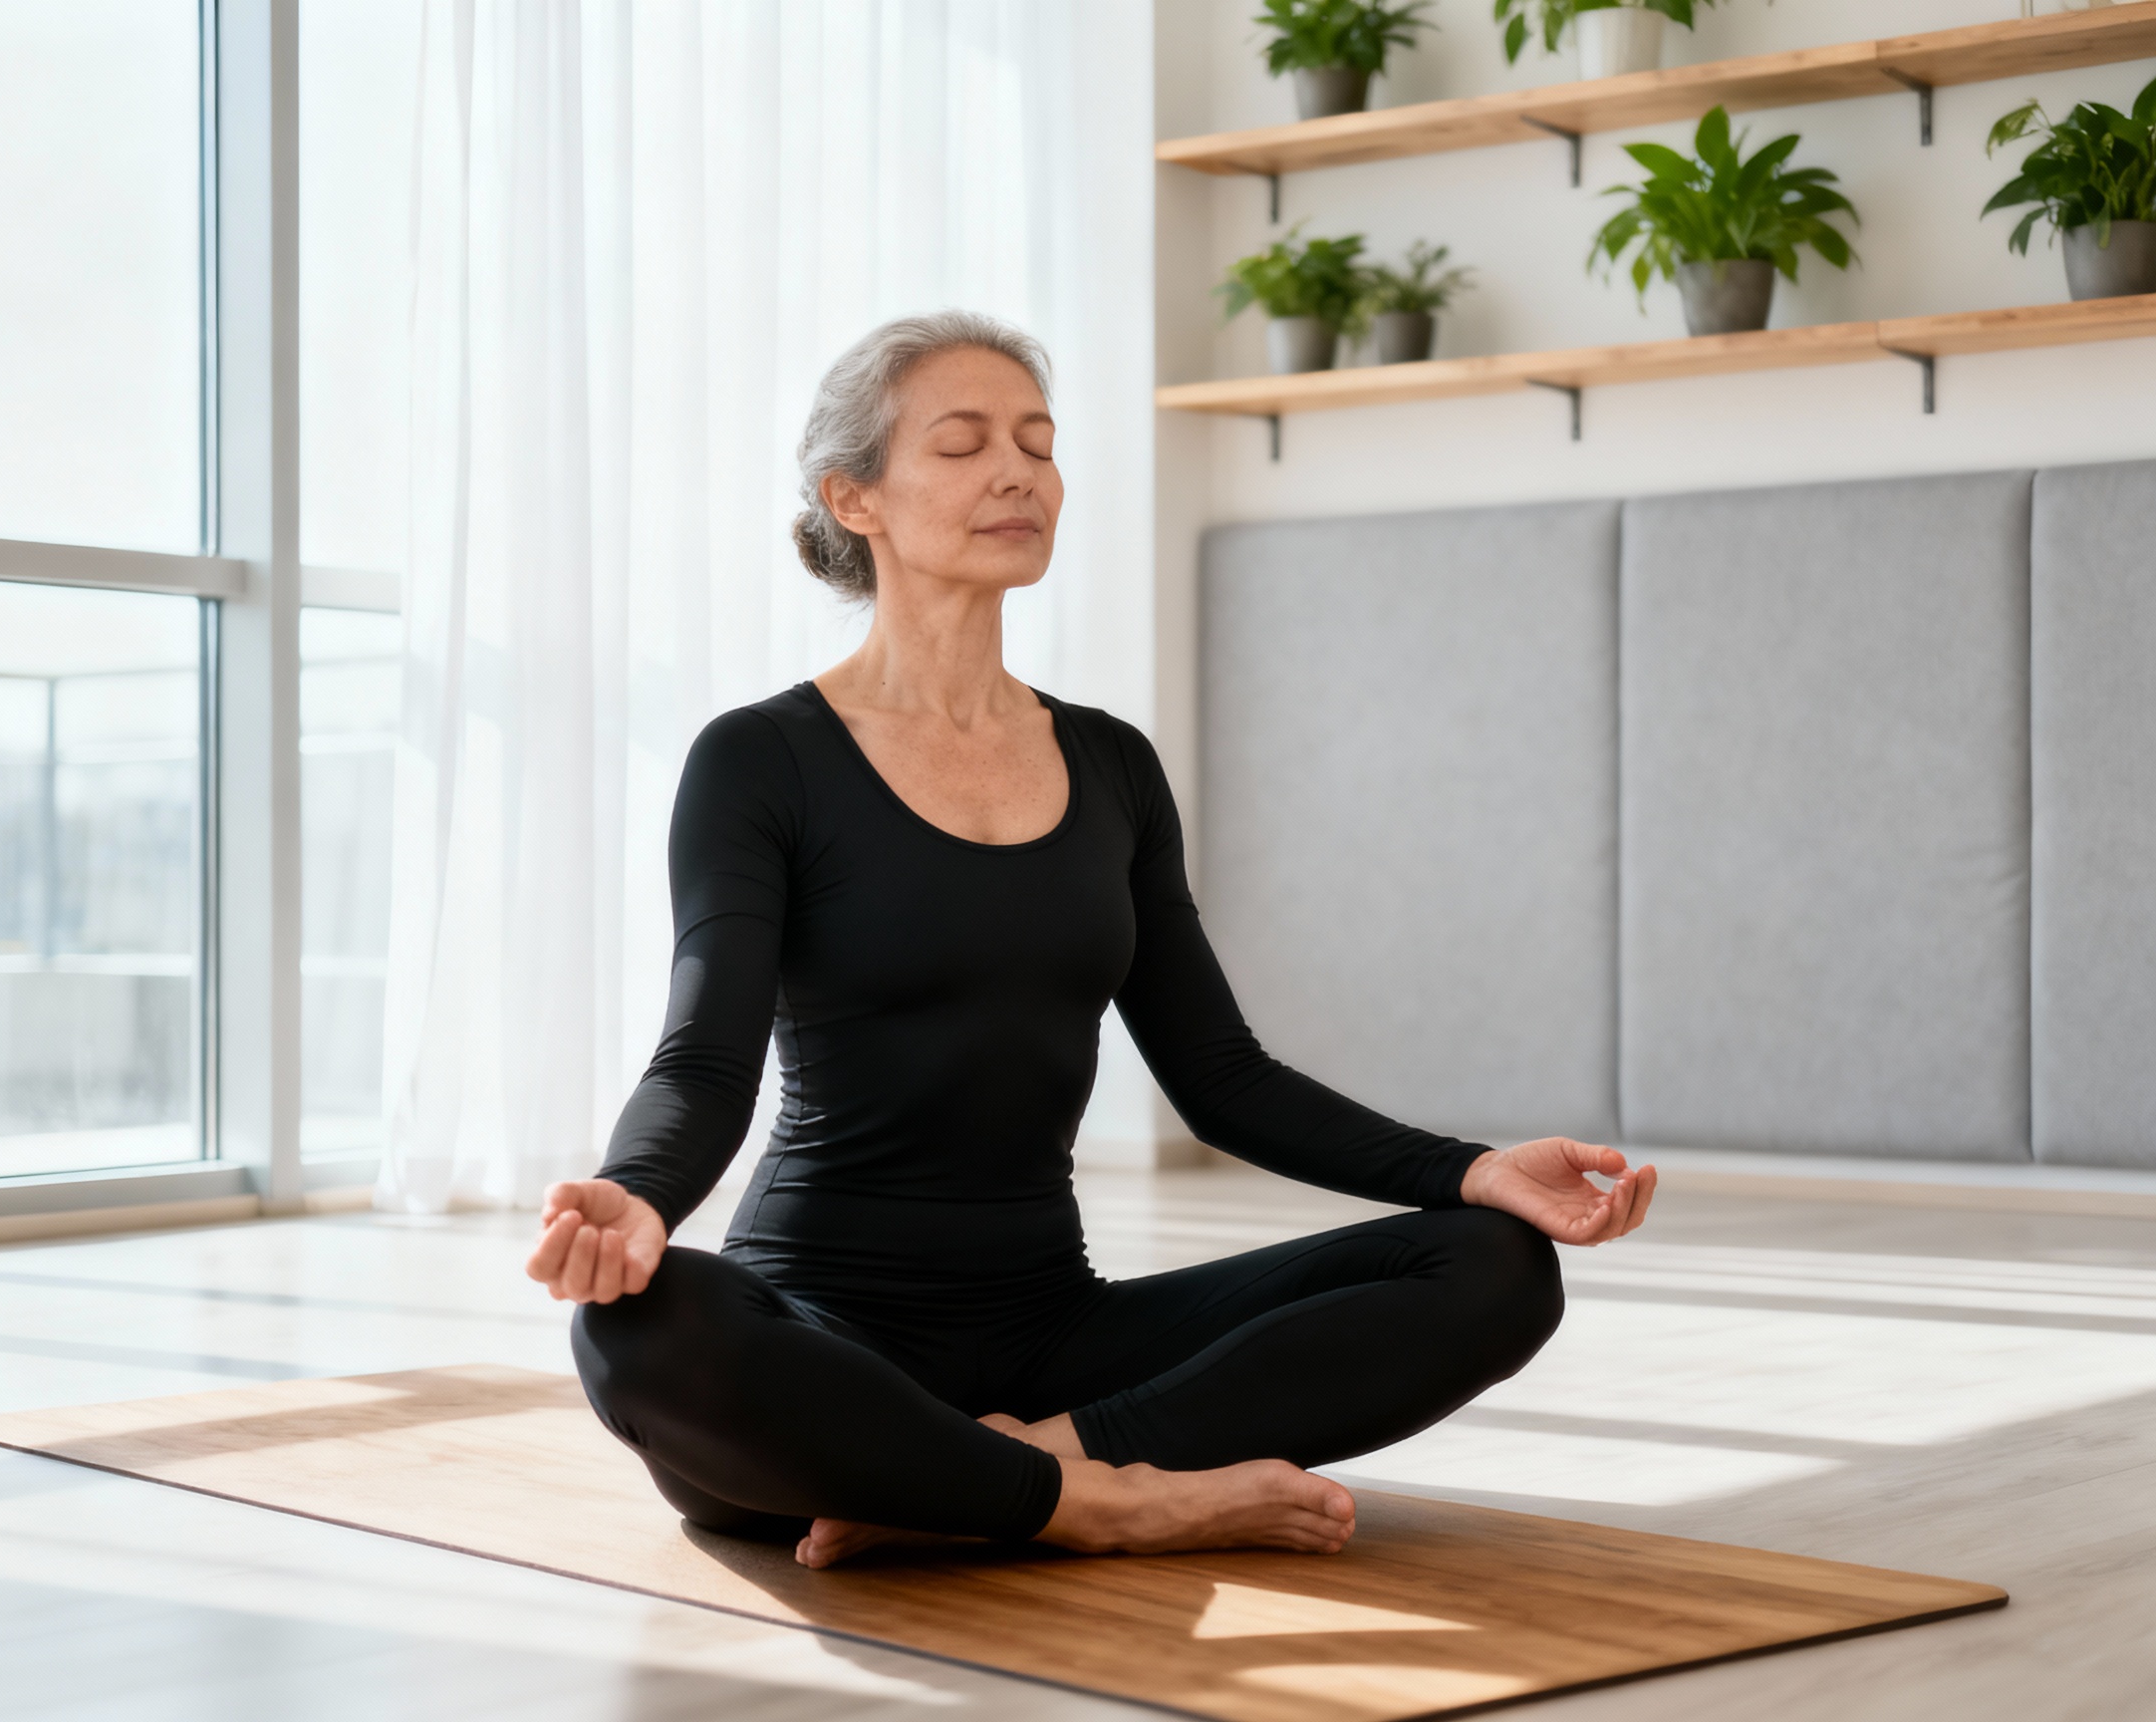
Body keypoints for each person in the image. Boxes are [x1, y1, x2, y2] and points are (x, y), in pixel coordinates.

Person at [527, 311, 1655, 1571]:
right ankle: (1118, 1501)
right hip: (826, 1332)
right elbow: (703, 1059)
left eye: (1038, 443)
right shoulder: (760, 760)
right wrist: (636, 1197)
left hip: (1054, 1336)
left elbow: (1225, 1081)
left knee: (1494, 1266)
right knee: (637, 1323)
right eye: (962, 445)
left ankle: (1029, 1466)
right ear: (857, 499)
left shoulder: (1110, 763)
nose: (1017, 472)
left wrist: (1470, 1171)